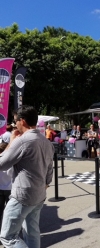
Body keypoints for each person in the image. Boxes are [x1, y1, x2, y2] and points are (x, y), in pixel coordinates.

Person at [0, 105, 54, 247]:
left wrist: (11, 142)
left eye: (15, 121)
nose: (14, 124)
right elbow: (50, 170)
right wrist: (45, 184)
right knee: (32, 233)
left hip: (22, 195)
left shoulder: (22, 141)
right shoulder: (46, 142)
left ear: (22, 121)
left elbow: (2, 164)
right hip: (39, 194)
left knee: (8, 236)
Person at [0, 142, 11, 238]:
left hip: (0, 188)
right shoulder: (11, 161)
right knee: (11, 213)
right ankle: (10, 234)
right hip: (10, 189)